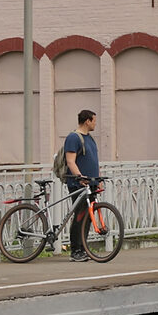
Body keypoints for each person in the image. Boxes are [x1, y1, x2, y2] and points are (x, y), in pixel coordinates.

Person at [62, 109, 100, 261]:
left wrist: (98, 178)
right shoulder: (74, 138)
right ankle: (75, 250)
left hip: (91, 184)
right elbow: (70, 160)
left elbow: (94, 160)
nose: (95, 124)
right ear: (87, 121)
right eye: (94, 121)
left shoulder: (90, 138)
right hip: (79, 185)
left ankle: (83, 248)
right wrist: (80, 177)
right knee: (79, 216)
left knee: (88, 217)